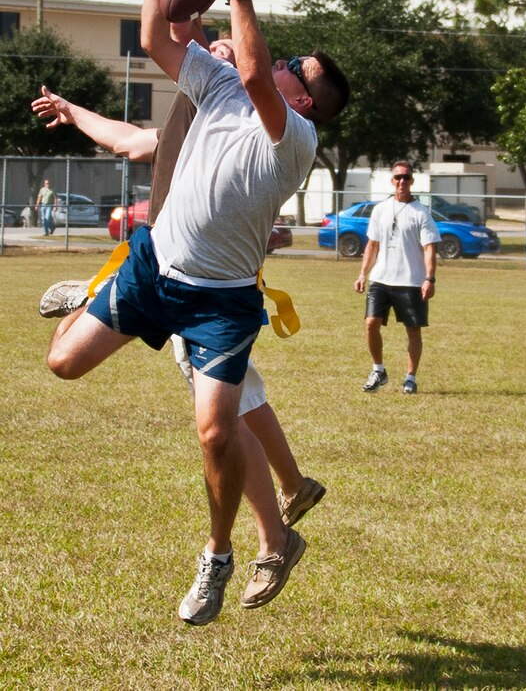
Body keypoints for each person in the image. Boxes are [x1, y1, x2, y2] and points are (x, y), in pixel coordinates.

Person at [42, 0, 349, 626]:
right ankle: (95, 290)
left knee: (215, 429)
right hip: (155, 270)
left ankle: (219, 555)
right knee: (61, 365)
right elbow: (156, 35)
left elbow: (253, 67)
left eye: (291, 68)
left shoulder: (292, 137)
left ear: (303, 97)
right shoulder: (212, 87)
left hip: (220, 304)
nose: (279, 62)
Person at [31, 76, 326, 528]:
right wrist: (72, 111)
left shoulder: (253, 134)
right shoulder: (195, 127)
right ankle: (291, 488)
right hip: (164, 271)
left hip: (204, 286)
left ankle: (276, 528)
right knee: (236, 402)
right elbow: (127, 139)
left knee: (224, 420)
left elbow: (198, 51)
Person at [353, 161, 441, 395]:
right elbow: (372, 244)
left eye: (406, 177)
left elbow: (430, 248)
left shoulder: (421, 213)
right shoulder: (380, 209)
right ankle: (378, 370)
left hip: (411, 281)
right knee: (371, 323)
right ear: (392, 181)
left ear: (412, 181)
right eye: (398, 177)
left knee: (413, 329)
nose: (402, 181)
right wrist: (363, 273)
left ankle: (410, 378)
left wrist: (429, 278)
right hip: (381, 279)